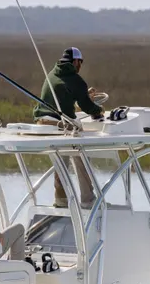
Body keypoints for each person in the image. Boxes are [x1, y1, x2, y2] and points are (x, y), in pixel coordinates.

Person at [33, 47, 103, 208]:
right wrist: (98, 110)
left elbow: (64, 100)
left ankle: (61, 199)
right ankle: (88, 200)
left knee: (61, 157)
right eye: (81, 62)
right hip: (59, 124)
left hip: (43, 122)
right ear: (76, 61)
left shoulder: (52, 74)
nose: (81, 66)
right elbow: (87, 107)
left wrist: (84, 94)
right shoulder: (75, 78)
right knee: (81, 154)